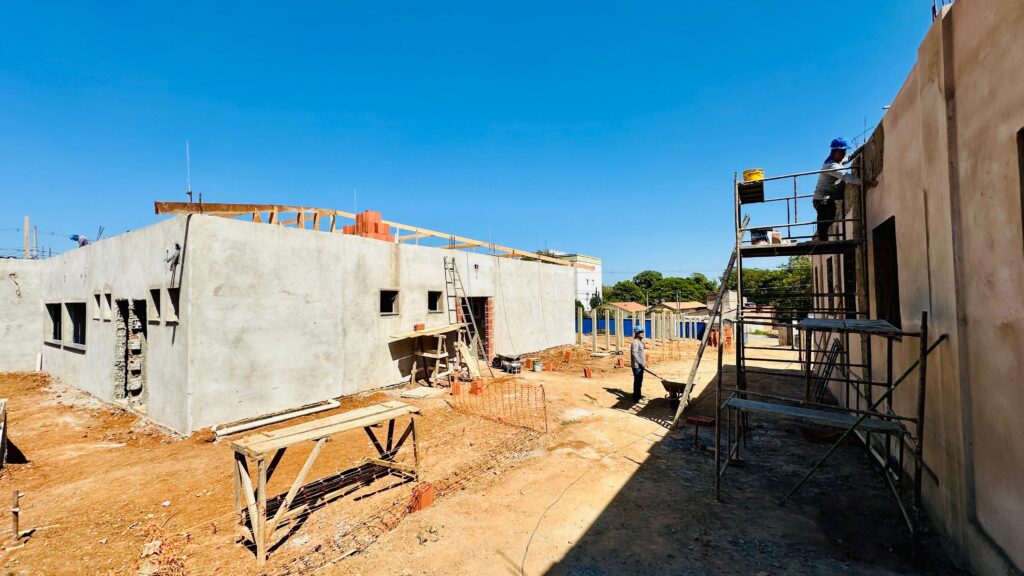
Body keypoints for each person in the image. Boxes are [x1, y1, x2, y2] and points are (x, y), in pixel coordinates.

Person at [813, 138, 861, 241]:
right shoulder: (831, 165)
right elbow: (846, 177)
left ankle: (822, 239)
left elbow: (849, 157)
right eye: (842, 152)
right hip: (821, 199)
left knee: (830, 217)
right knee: (825, 218)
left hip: (827, 198)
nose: (844, 154)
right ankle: (822, 240)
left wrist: (862, 147)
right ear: (835, 152)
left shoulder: (837, 161)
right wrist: (864, 181)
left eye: (844, 151)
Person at [630, 326, 646, 402]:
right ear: (636, 333)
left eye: (643, 332)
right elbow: (634, 353)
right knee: (637, 382)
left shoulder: (640, 342)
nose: (642, 333)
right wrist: (640, 363)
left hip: (640, 365)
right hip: (637, 366)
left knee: (639, 381)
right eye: (640, 332)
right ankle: (636, 398)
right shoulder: (635, 342)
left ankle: (637, 395)